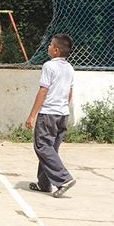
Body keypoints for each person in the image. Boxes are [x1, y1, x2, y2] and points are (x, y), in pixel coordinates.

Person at [25, 33, 76, 198]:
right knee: (50, 149)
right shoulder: (69, 67)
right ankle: (44, 184)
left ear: (55, 50)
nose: (47, 46)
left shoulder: (49, 66)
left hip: (48, 113)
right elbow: (69, 92)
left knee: (42, 146)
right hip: (62, 114)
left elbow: (43, 90)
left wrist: (32, 115)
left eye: (50, 45)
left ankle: (63, 178)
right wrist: (63, 108)